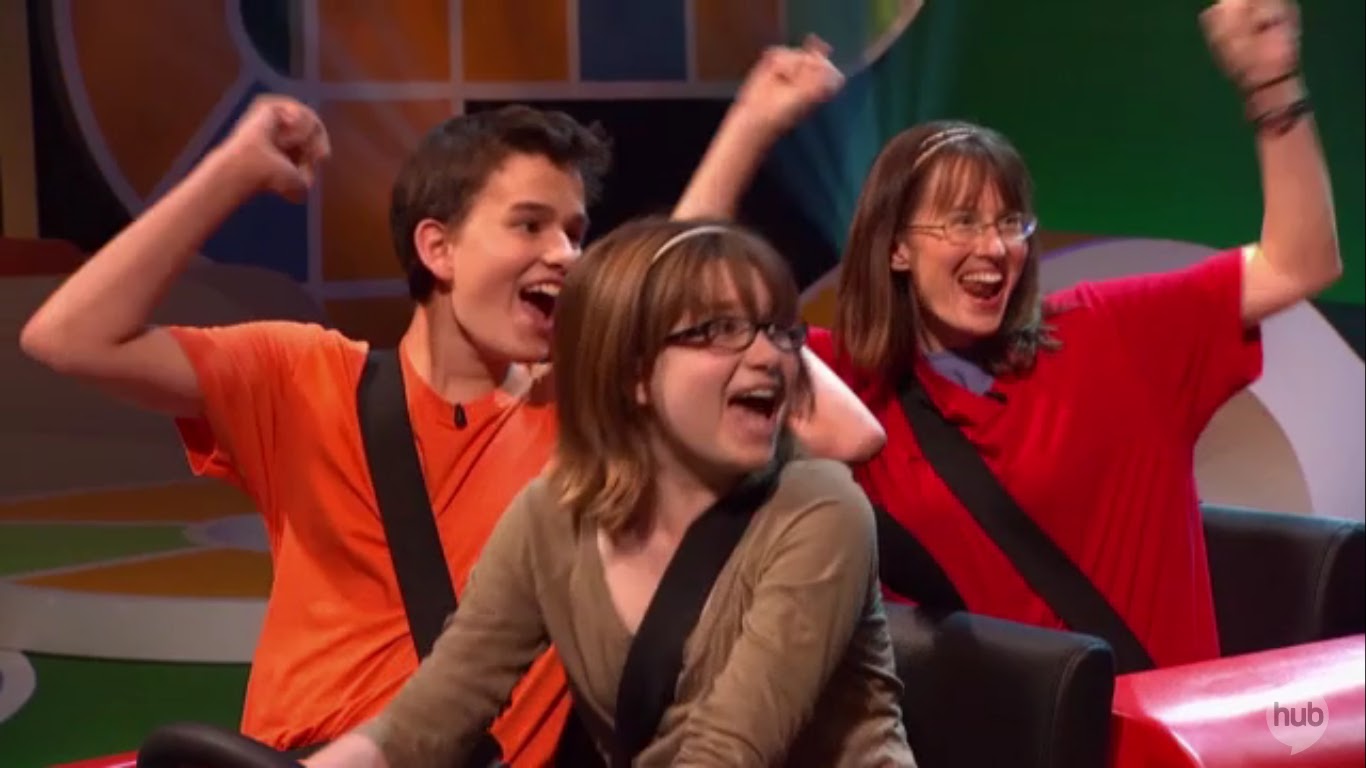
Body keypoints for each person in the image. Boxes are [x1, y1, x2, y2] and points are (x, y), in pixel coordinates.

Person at [19, 44, 874, 762]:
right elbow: (68, 336)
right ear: (438, 248)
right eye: (530, 225)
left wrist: (751, 125)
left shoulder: (579, 411)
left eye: (576, 232)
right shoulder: (301, 375)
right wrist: (232, 171)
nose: (565, 254)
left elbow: (672, 295)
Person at [792, 0, 1340, 670]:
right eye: (962, 222)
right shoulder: (848, 387)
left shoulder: (1109, 332)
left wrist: (1273, 85)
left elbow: (1300, 263)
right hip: (983, 725)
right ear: (896, 247)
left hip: (1154, 723)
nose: (994, 247)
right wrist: (748, 131)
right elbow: (682, 314)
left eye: (1010, 222)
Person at [304, 218, 918, 768]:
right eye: (721, 330)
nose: (771, 358)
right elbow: (427, 720)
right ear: (633, 372)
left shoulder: (821, 508)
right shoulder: (553, 516)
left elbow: (726, 752)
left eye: (779, 331)